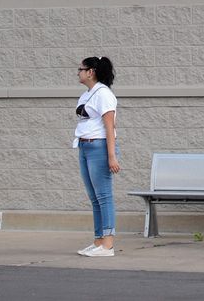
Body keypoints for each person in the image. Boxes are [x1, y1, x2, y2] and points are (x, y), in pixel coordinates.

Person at [74, 56, 120, 257]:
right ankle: (98, 241)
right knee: (94, 198)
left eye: (80, 69)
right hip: (84, 146)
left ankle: (108, 244)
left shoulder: (104, 94)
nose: (78, 72)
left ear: (91, 71)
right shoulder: (87, 95)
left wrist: (111, 156)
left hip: (99, 148)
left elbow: (110, 126)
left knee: (104, 196)